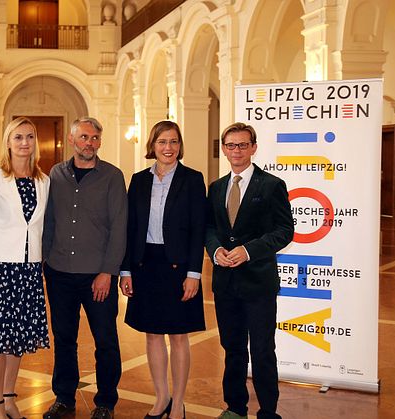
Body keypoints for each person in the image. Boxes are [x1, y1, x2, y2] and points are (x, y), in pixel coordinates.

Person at [205, 122, 294, 419]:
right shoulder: (216, 187)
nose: (237, 151)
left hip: (258, 283)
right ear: (224, 149)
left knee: (262, 350)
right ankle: (235, 408)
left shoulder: (271, 185)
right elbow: (209, 229)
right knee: (232, 348)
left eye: (243, 145)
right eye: (231, 145)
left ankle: (268, 410)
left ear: (254, 147)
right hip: (225, 283)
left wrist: (248, 251)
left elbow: (284, 231)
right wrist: (216, 250)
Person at [42, 117, 127, 419]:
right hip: (59, 271)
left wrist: (108, 271)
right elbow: (49, 220)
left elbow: (119, 226)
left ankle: (105, 402)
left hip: (97, 275)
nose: (89, 143)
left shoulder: (112, 176)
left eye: (95, 138)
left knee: (105, 340)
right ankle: (64, 398)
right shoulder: (56, 174)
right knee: (64, 339)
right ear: (72, 139)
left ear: (99, 142)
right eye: (84, 137)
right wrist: (44, 261)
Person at [120, 120, 207, 419]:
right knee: (152, 334)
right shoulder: (139, 180)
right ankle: (161, 397)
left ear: (180, 146)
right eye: (162, 142)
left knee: (179, 336)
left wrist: (194, 273)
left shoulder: (193, 179)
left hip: (178, 267)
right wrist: (126, 270)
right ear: (152, 146)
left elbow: (199, 230)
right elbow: (130, 229)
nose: (168, 148)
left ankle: (179, 403)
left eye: (173, 142)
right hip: (145, 265)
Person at [0, 117, 50, 419]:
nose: (25, 143)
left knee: (18, 339)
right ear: (8, 142)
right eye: (18, 137)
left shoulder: (44, 180)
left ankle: (11, 398)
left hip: (28, 269)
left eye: (30, 136)